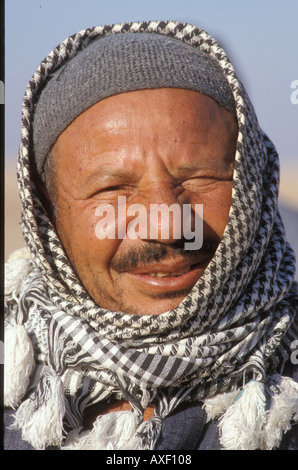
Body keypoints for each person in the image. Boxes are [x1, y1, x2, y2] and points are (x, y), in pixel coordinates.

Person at [4, 20, 298, 450]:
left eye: (199, 177)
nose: (166, 226)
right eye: (112, 189)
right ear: (46, 216)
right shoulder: (14, 371)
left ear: (253, 184)